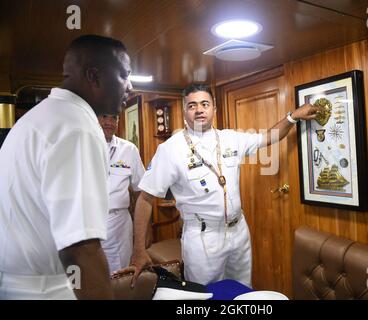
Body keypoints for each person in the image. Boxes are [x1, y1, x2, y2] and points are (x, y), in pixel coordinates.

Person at [118, 83, 318, 287]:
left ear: (214, 108)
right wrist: (138, 250)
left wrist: (293, 116)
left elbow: (269, 137)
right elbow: (145, 199)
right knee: (206, 296)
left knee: (241, 292)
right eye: (192, 105)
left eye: (205, 104)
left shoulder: (231, 138)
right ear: (184, 110)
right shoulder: (170, 150)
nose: (199, 110)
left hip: (238, 232)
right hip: (203, 238)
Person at [0, 34, 132, 299]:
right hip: (46, 288)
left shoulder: (38, 118)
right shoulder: (77, 127)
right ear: (94, 76)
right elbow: (80, 248)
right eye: (124, 75)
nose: (129, 86)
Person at [97, 114, 145, 273]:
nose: (109, 122)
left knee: (122, 271)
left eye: (114, 118)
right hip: (89, 221)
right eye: (104, 117)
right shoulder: (80, 147)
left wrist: (145, 232)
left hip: (120, 222)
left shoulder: (129, 149)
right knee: (91, 273)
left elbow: (142, 192)